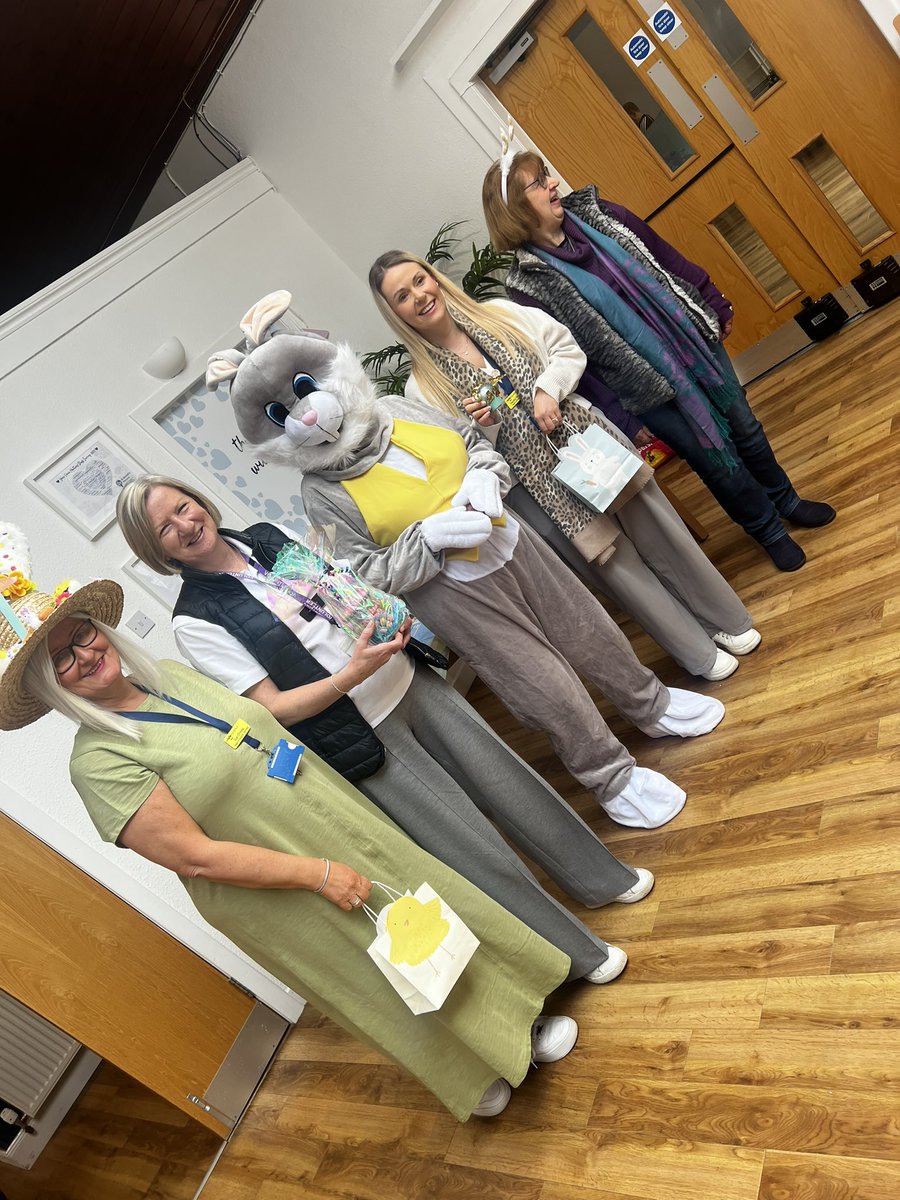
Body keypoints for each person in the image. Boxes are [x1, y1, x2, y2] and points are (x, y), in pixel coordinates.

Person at [0, 578, 579, 1121]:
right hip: (276, 886)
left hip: (330, 820)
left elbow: (260, 727)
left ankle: (520, 1021)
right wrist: (317, 874)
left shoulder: (167, 677)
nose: (83, 655)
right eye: (61, 661)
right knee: (375, 977)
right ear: (50, 690)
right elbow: (193, 856)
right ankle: (471, 1074)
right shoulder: (97, 762)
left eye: (81, 634)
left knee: (428, 918)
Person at [116, 475, 657, 986]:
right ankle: (574, 954)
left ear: (199, 502)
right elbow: (274, 707)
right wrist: (350, 675)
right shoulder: (196, 617)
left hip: (411, 680)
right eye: (166, 528)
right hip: (365, 734)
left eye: (183, 507)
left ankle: (603, 878)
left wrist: (385, 614)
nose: (185, 525)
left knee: (516, 787)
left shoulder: (266, 537)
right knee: (474, 850)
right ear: (158, 552)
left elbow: (340, 591)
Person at [211, 301, 729, 830]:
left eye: (303, 389)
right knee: (542, 684)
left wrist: (485, 476)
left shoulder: (397, 407)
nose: (307, 414)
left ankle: (651, 705)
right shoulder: (320, 491)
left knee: (588, 629)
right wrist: (428, 539)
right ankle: (611, 776)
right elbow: (367, 573)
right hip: (455, 591)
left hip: (513, 541)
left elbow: (472, 442)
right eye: (281, 415)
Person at [368, 250, 761, 681]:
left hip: (585, 440)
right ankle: (698, 652)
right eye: (402, 296)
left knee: (660, 531)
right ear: (395, 313)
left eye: (419, 281)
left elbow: (566, 349)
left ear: (434, 279)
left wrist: (548, 390)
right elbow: (459, 457)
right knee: (616, 568)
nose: (419, 296)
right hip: (534, 489)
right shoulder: (421, 387)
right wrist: (491, 426)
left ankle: (725, 620)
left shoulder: (498, 314)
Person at [482, 152, 836, 571]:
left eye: (546, 175)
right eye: (538, 182)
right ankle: (768, 531)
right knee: (714, 461)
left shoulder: (600, 213)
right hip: (644, 390)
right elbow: (575, 359)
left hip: (692, 341)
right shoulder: (527, 285)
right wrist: (624, 419)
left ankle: (788, 501)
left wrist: (709, 297)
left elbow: (663, 255)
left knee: (746, 427)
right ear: (515, 209)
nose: (553, 184)